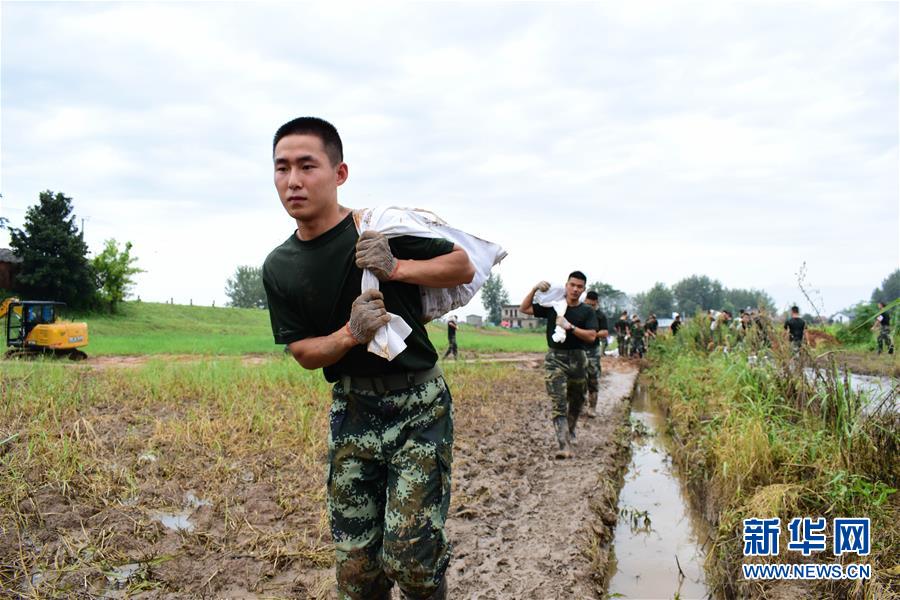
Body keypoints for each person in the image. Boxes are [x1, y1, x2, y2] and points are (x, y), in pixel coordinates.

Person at [262, 117, 475, 600]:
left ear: (339, 174)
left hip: (418, 403)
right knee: (357, 572)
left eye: (307, 166)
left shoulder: (376, 231)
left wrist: (395, 266)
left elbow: (460, 264)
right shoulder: (280, 266)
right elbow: (304, 353)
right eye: (282, 169)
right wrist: (351, 333)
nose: (293, 181)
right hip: (353, 410)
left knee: (411, 558)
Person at [520, 272, 598, 459]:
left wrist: (569, 326)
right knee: (559, 402)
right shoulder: (554, 307)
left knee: (577, 400)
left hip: (578, 359)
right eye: (572, 285)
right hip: (555, 359)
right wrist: (534, 288)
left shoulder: (587, 311)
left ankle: (570, 431)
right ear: (566, 285)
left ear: (583, 290)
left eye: (579, 286)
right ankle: (563, 445)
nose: (575, 289)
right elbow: (525, 308)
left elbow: (591, 336)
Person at [582, 291, 609, 419]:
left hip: (593, 350)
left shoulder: (600, 315)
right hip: (578, 350)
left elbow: (605, 332)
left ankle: (592, 407)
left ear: (596, 303)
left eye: (592, 305)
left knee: (593, 379)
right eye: (588, 304)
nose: (590, 307)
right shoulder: (579, 312)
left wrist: (592, 334)